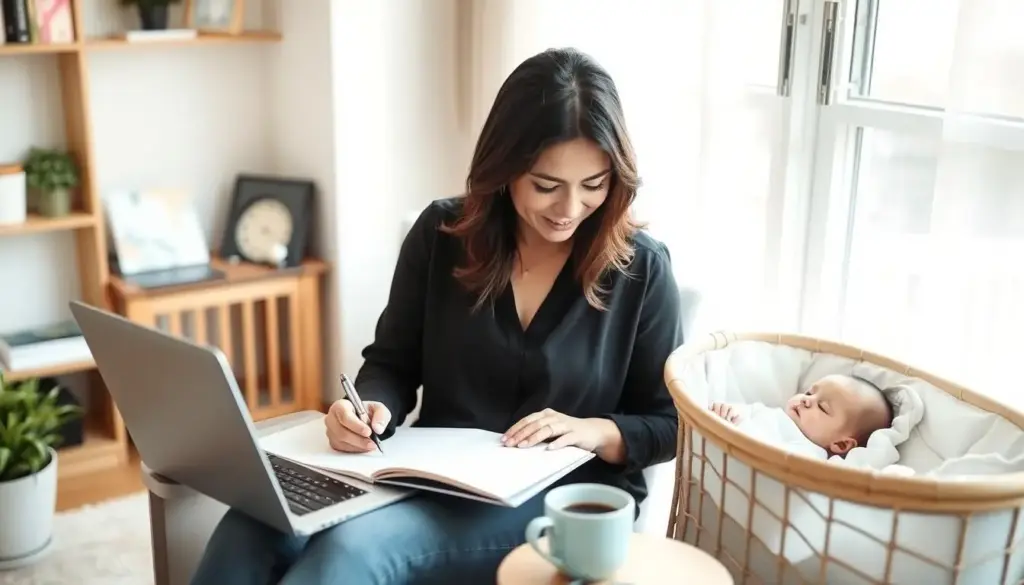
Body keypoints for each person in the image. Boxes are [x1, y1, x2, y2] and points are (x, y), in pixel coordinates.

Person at [190, 47, 684, 585]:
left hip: (567, 502)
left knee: (350, 554)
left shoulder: (641, 270)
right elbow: (392, 362)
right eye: (546, 185)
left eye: (594, 185)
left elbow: (668, 424)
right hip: (431, 476)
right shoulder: (443, 235)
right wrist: (370, 407)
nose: (568, 209)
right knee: (253, 525)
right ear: (504, 167)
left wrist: (592, 430)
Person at [708, 374, 894, 459]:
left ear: (841, 444)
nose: (807, 400)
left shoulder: (810, 455)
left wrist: (737, 427)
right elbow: (740, 411)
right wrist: (725, 412)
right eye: (809, 392)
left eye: (822, 407)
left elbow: (768, 458)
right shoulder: (771, 413)